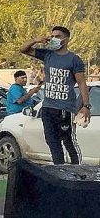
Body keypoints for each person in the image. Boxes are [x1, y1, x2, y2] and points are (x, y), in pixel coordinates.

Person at [20, 26, 91, 165]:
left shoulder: (74, 59)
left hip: (64, 108)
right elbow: (23, 49)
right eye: (52, 36)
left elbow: (82, 83)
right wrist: (36, 40)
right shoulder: (47, 54)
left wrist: (86, 106)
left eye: (57, 36)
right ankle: (59, 168)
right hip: (48, 107)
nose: (54, 39)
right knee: (52, 141)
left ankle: (77, 170)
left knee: (68, 141)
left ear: (66, 39)